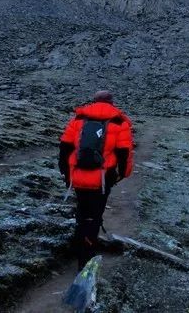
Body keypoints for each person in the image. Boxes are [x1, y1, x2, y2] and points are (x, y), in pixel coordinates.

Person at [58, 90, 134, 269]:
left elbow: (65, 147)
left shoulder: (78, 119)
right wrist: (122, 174)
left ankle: (78, 245)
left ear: (94, 101)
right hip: (102, 178)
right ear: (111, 102)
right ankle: (86, 258)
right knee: (94, 215)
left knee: (82, 211)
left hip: (78, 175)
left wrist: (66, 173)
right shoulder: (119, 121)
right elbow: (124, 153)